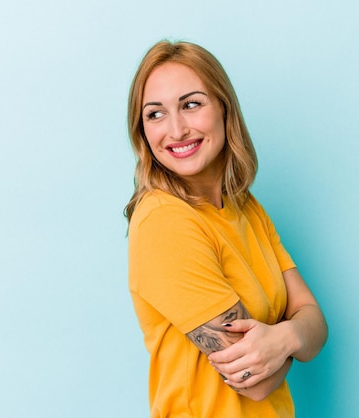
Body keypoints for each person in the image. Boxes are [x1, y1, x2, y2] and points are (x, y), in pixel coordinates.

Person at [125, 40, 328, 418]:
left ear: (223, 108)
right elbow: (255, 379)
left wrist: (285, 336)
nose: (176, 129)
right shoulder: (164, 222)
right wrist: (293, 335)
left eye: (191, 104)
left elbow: (315, 322)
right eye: (155, 114)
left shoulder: (246, 208)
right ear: (143, 131)